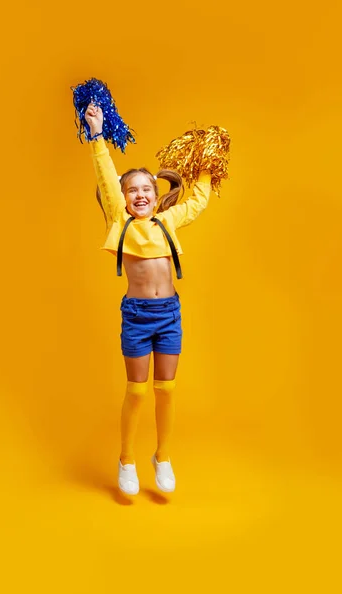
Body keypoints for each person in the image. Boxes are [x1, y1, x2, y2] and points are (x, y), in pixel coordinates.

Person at [84, 103, 212, 495]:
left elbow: (199, 201)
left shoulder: (167, 220)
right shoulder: (120, 222)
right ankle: (126, 458)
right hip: (137, 315)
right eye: (132, 190)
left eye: (146, 190)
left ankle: (163, 456)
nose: (139, 195)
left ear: (156, 197)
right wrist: (97, 134)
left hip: (169, 313)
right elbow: (106, 176)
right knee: (137, 391)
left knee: (166, 389)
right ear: (122, 199)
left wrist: (209, 164)